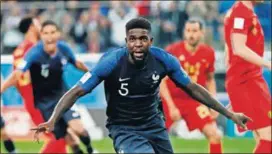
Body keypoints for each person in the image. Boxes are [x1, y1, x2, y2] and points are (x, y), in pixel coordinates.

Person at [32, 17, 251, 153]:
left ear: (150, 41)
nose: (138, 44)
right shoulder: (111, 62)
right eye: (133, 39)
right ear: (126, 41)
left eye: (142, 39)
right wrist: (53, 120)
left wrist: (229, 114)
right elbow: (77, 90)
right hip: (124, 129)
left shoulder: (164, 59)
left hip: (154, 126)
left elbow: (193, 88)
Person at [1, 20, 95, 154]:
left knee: (72, 135)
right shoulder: (29, 51)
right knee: (59, 139)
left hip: (59, 95)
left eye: (52, 32)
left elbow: (76, 62)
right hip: (40, 102)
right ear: (33, 28)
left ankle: (91, 150)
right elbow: (18, 76)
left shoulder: (59, 48)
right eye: (40, 27)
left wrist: (94, 74)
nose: (48, 35)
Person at [161, 18, 223, 153]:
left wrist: (213, 103)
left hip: (194, 101)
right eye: (188, 31)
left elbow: (210, 79)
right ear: (184, 33)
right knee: (154, 138)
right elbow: (162, 81)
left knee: (215, 135)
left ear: (202, 33)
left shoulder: (209, 53)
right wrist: (171, 107)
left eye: (194, 31)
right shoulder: (172, 51)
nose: (191, 34)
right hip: (171, 100)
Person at [224, 1, 271, 153]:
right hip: (247, 80)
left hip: (247, 80)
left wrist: (234, 92)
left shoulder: (242, 11)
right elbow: (238, 48)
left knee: (262, 138)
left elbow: (228, 52)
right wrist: (269, 64)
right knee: (268, 139)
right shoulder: (241, 12)